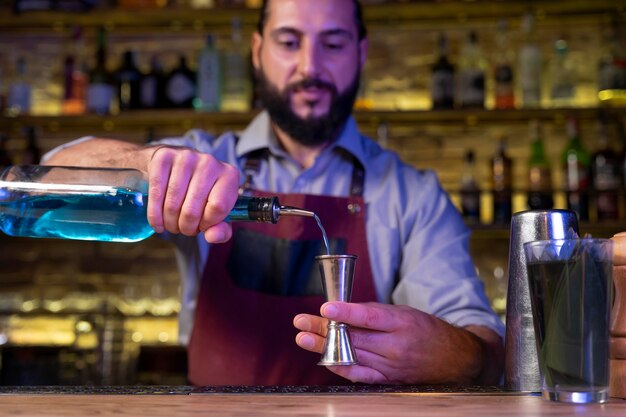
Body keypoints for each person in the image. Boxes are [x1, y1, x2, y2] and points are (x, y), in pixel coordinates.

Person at [44, 0, 505, 386]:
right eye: (289, 42)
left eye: (333, 43)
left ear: (361, 53)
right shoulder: (205, 159)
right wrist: (146, 165)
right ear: (258, 51)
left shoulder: (414, 196)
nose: (310, 66)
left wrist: (452, 353)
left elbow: (486, 351)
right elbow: (49, 177)